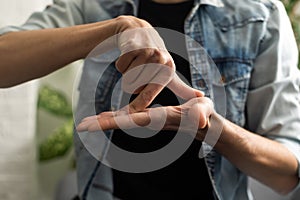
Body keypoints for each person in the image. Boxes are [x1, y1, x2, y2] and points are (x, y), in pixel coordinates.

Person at [1, 0, 300, 200]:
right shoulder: (95, 4)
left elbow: (287, 172)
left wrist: (211, 128)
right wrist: (115, 29)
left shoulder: (259, 13)